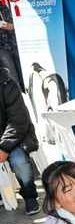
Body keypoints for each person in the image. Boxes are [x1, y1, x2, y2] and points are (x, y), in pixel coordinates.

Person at [0, 67, 40, 214]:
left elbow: (18, 121)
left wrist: (4, 147)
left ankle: (29, 195)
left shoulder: (6, 84)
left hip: (15, 135)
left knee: (18, 160)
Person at [0, 3, 24, 92]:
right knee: (13, 78)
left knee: (23, 74)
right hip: (2, 48)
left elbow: (15, 20)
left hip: (14, 44)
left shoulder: (4, 6)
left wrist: (13, 26)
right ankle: (19, 100)